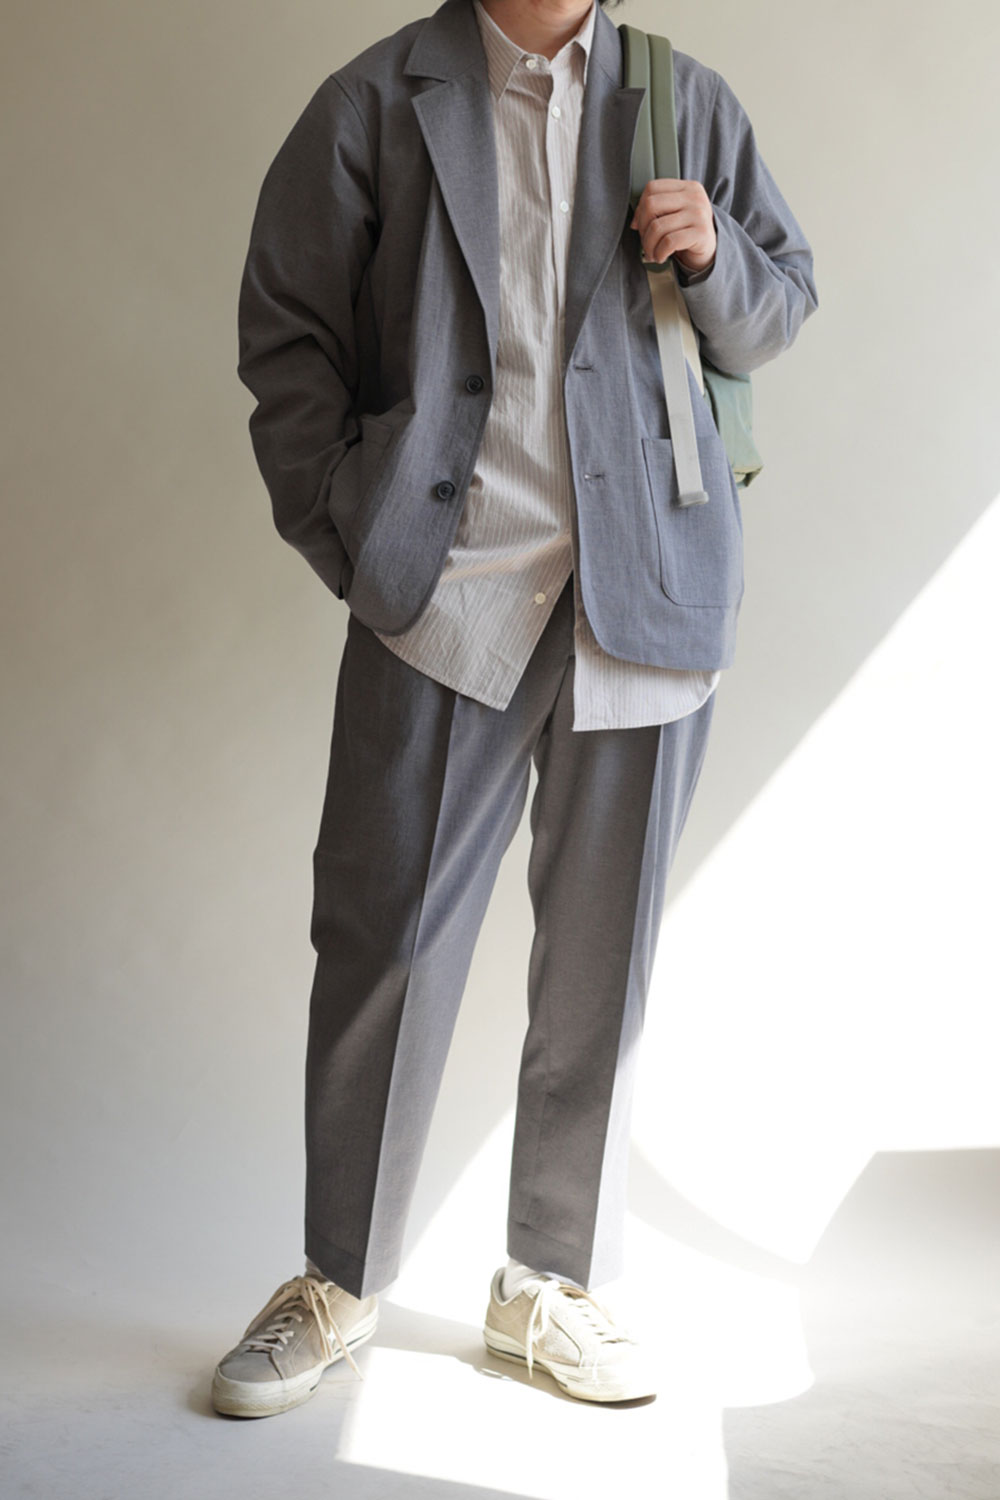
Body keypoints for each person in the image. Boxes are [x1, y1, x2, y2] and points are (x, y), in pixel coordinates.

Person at [212, 0, 818, 1417]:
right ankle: (339, 1280)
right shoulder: (374, 104)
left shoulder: (686, 98)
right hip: (449, 597)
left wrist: (718, 256)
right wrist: (359, 538)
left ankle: (551, 1286)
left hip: (644, 591)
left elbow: (781, 307)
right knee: (385, 942)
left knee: (603, 962)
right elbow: (286, 335)